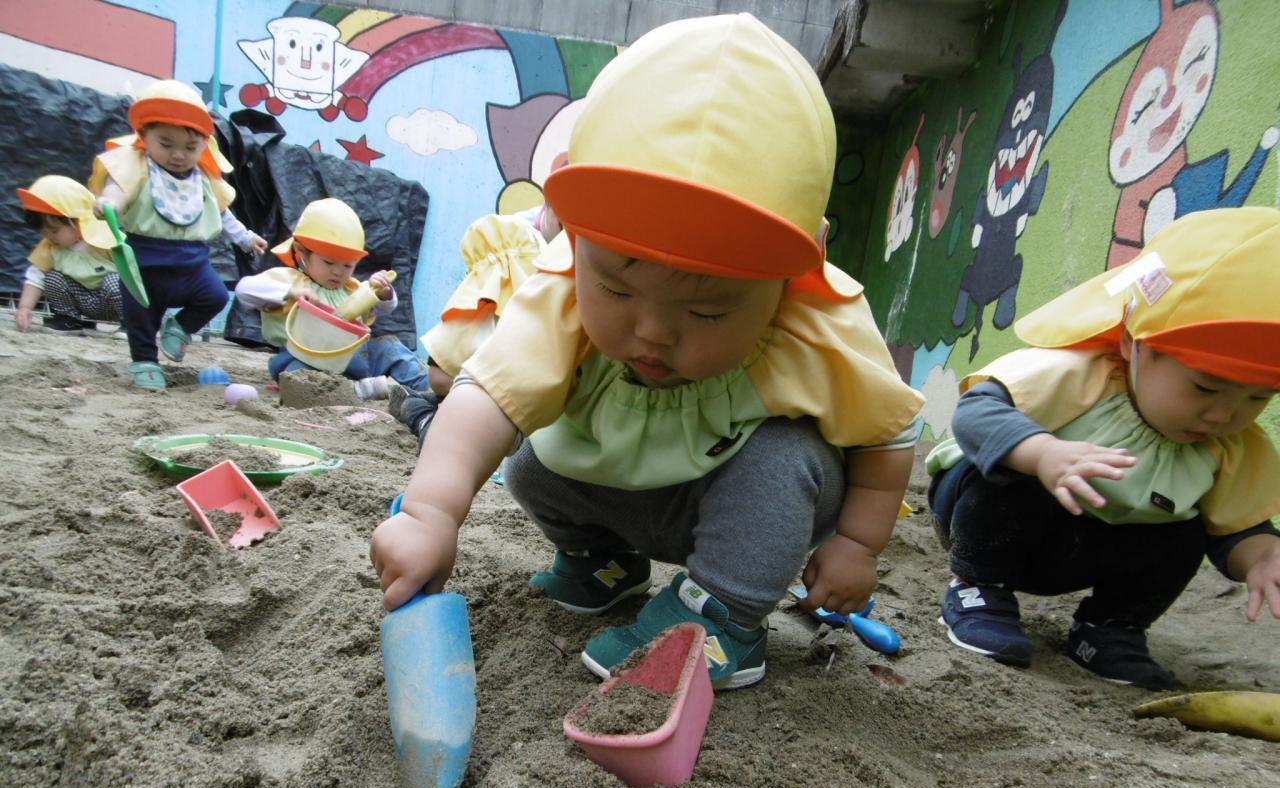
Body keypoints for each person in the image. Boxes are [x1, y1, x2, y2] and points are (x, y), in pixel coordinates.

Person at [370, 14, 924, 690]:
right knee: (528, 454)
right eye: (617, 287)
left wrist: (858, 543)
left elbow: (886, 436)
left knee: (786, 457)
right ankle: (603, 562)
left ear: (797, 268)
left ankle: (725, 616)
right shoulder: (560, 289)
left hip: (737, 508)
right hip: (619, 488)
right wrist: (429, 513)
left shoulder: (818, 321)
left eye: (708, 310)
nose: (654, 332)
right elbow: (484, 398)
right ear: (573, 232)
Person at [927, 207, 1280, 690]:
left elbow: (1237, 529)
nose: (1224, 415)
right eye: (1204, 388)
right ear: (1135, 343)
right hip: (992, 524)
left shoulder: (1231, 446)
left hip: (1092, 550)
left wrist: (1261, 558)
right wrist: (1043, 453)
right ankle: (976, 589)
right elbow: (975, 413)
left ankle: (1109, 628)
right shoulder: (1077, 375)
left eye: (1258, 398)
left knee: (1185, 533)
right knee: (1007, 474)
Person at [90, 79, 267, 391]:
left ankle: (180, 328)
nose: (178, 155)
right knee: (141, 317)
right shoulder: (136, 166)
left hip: (191, 263)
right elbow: (117, 187)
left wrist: (245, 238)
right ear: (144, 136)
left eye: (189, 147)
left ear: (203, 145)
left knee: (215, 296)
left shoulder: (204, 178)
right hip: (144, 263)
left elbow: (222, 212)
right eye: (166, 144)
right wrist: (109, 203)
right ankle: (145, 361)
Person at [391, 202, 562, 443]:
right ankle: (425, 415)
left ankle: (421, 407)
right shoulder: (520, 250)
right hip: (478, 389)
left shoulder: (514, 252)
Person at [234, 197, 430, 400]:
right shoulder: (290, 281)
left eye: (348, 265)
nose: (338, 271)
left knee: (390, 348)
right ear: (301, 252)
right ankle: (355, 390)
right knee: (296, 377)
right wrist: (290, 292)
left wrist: (382, 293)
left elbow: (385, 308)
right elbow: (244, 289)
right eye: (328, 262)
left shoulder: (352, 288)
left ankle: (427, 387)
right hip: (307, 360)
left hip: (354, 359)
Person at [14, 175, 120, 334]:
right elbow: (35, 276)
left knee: (116, 281)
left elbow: (134, 274)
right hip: (81, 300)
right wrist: (25, 307)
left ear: (76, 221)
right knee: (53, 278)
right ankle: (69, 320)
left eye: (54, 231)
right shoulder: (50, 248)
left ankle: (131, 324)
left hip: (113, 304)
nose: (49, 236)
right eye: (44, 232)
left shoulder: (105, 240)